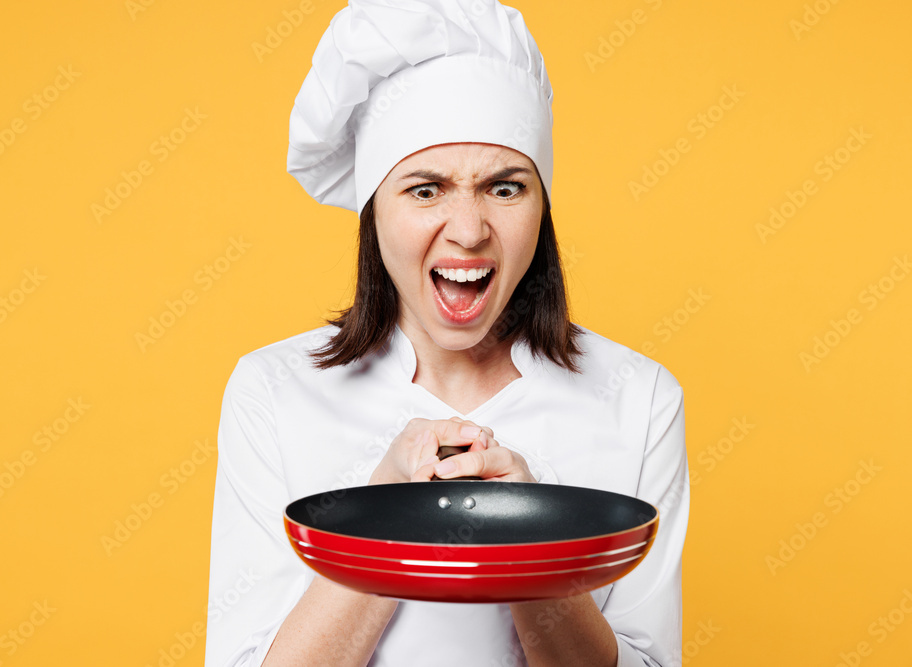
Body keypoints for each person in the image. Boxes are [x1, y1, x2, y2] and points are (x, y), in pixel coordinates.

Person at [204, 1, 689, 665]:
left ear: (542, 207)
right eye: (426, 190)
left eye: (505, 188)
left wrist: (531, 542)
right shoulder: (273, 393)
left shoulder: (640, 398)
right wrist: (383, 516)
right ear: (374, 210)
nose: (468, 230)